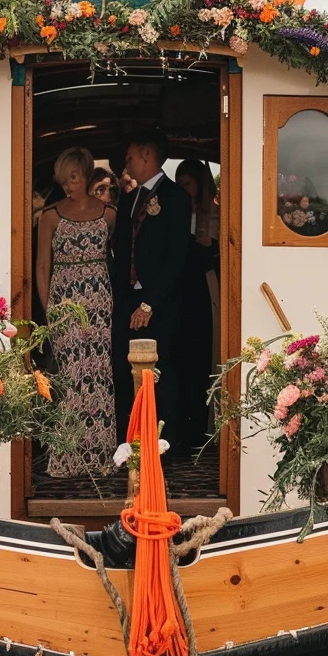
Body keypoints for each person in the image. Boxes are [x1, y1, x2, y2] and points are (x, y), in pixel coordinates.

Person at [35, 148, 117, 477]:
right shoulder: (51, 215)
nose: (68, 184)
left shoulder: (109, 214)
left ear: (85, 173)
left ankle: (99, 455)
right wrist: (49, 310)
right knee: (70, 378)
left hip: (99, 301)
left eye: (73, 176)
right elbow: (42, 266)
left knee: (98, 375)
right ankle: (67, 457)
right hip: (64, 305)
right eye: (63, 178)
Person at [111, 129, 192, 451]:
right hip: (126, 296)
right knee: (123, 368)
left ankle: (162, 444)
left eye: (130, 155)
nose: (126, 161)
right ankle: (128, 442)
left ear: (147, 155)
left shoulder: (175, 197)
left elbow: (177, 257)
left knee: (160, 373)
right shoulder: (129, 198)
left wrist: (150, 304)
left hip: (160, 301)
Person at [175, 159, 220, 450]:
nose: (184, 188)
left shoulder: (214, 215)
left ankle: (202, 426)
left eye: (189, 182)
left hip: (204, 286)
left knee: (203, 355)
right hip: (179, 288)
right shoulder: (175, 212)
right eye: (180, 182)